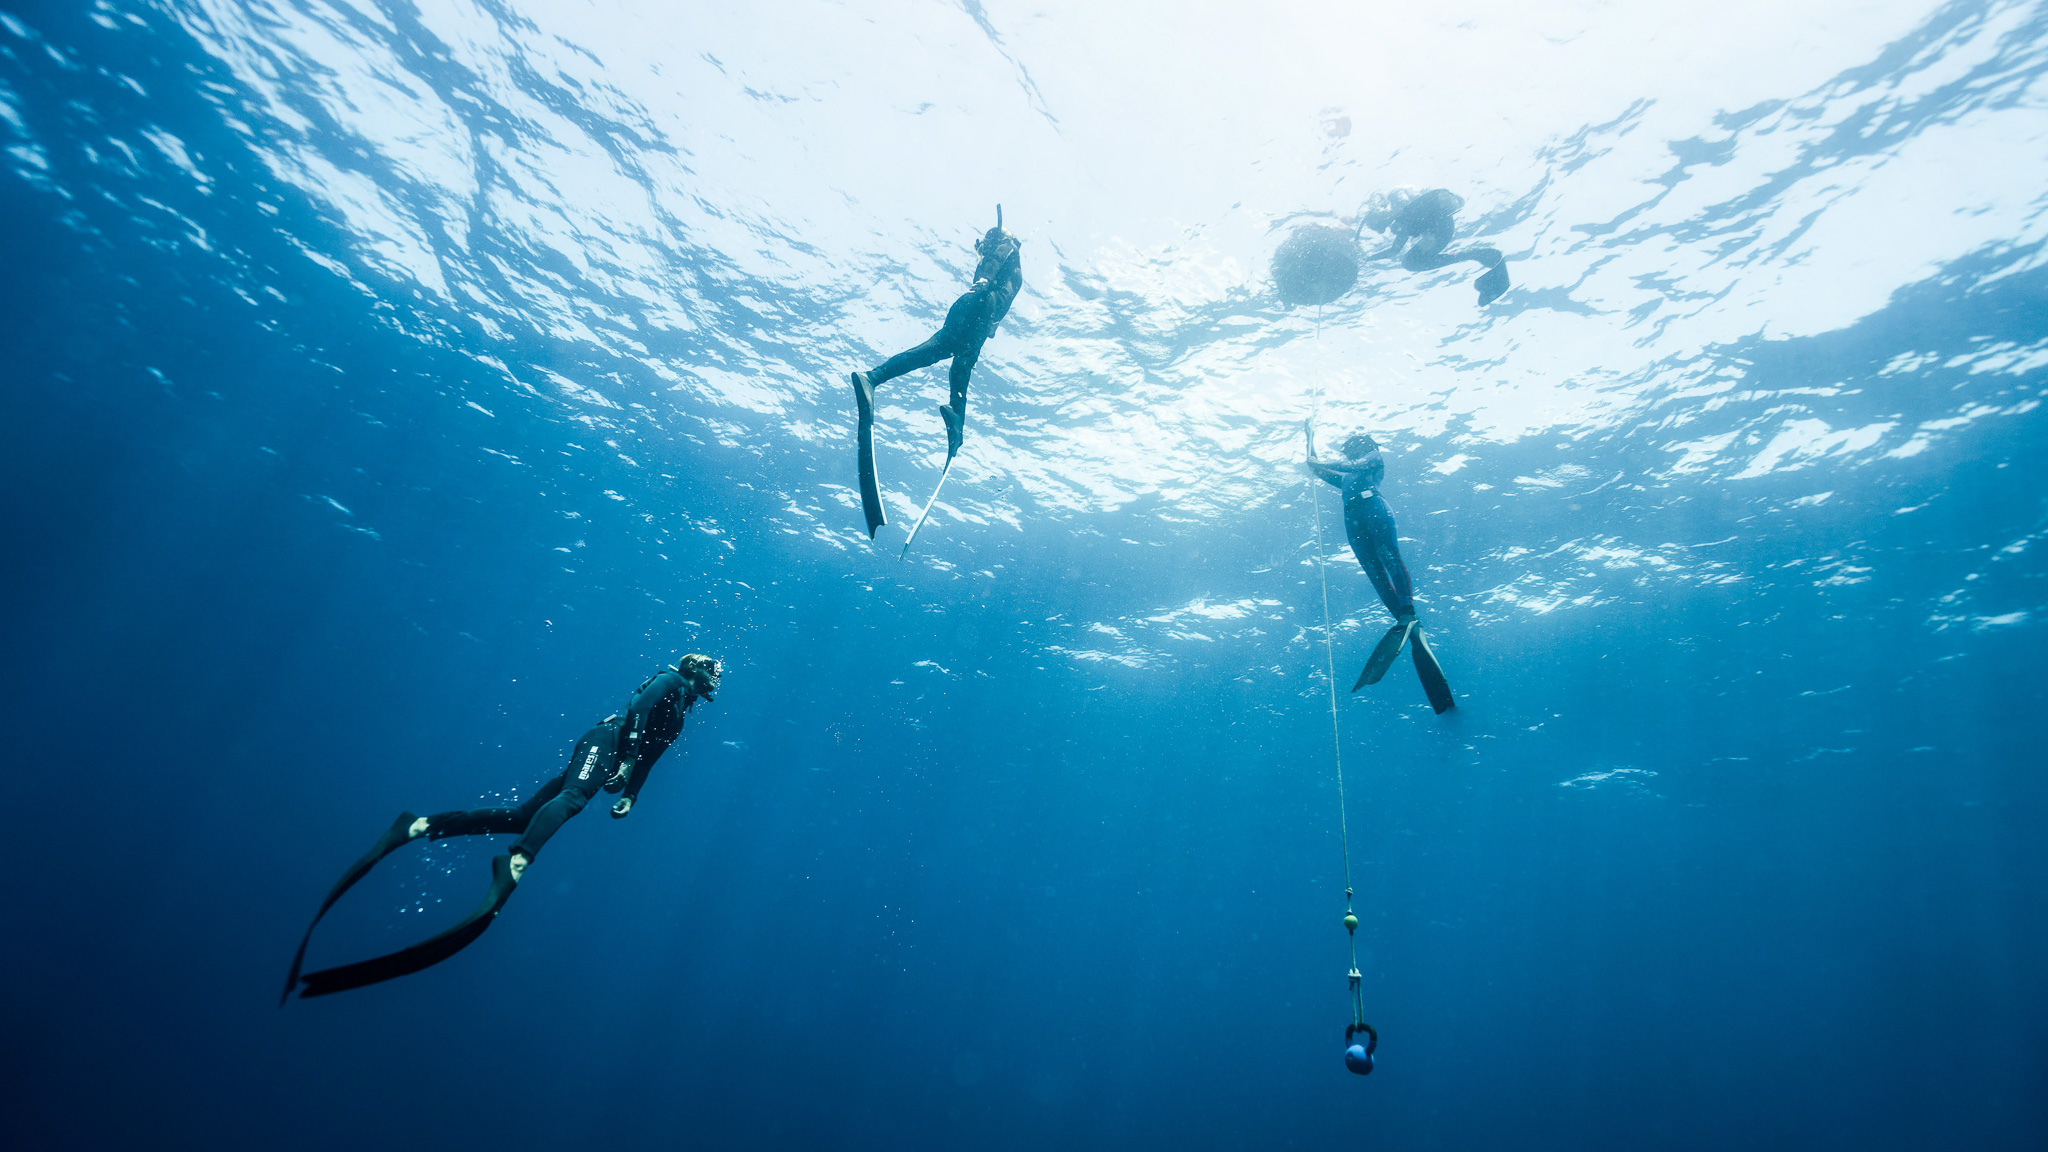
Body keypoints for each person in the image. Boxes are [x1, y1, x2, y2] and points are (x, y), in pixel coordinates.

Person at [280, 654, 722, 1002]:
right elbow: (635, 714)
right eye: (713, 671)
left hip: (613, 752)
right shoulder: (670, 681)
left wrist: (633, 792)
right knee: (571, 800)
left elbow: (652, 755)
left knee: (522, 815)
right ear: (696, 670)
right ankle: (516, 862)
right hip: (603, 742)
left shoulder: (683, 711)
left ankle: (420, 825)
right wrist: (624, 761)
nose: (716, 679)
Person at [852, 207, 1024, 538]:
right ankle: (955, 426)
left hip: (971, 306)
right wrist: (985, 285)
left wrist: (984, 288)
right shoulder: (1008, 251)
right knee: (960, 370)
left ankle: (873, 378)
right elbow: (993, 277)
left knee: (937, 354)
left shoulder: (1003, 252)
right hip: (978, 307)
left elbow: (992, 276)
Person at [1306, 422, 1455, 713]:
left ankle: (1408, 610)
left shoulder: (1372, 458)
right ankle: (1402, 618)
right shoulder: (1348, 476)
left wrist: (1318, 458)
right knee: (1374, 572)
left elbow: (1344, 464)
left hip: (1373, 508)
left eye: (1350, 448)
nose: (1348, 452)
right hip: (1352, 518)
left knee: (1389, 557)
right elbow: (1319, 470)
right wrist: (1308, 440)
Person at [1360, 187, 1509, 307]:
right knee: (1411, 261)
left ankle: (1477, 254)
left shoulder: (1400, 204)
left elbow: (1421, 201)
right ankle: (1476, 255)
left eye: (1378, 226)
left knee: (1411, 262)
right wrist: (1369, 258)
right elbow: (1394, 250)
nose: (1381, 230)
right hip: (1439, 229)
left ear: (1379, 213)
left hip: (1440, 230)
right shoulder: (1402, 221)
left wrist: (1368, 257)